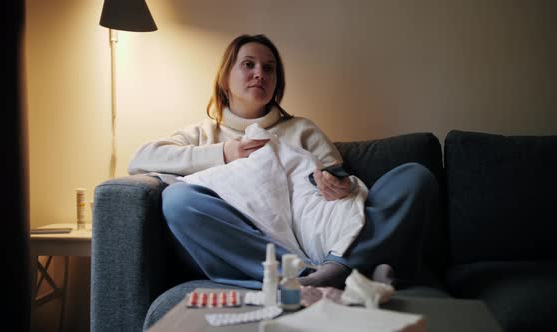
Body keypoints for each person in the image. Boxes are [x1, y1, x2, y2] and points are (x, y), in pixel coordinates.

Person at [128, 34, 439, 289]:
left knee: (415, 176)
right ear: (225, 79)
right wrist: (225, 153)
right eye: (248, 65)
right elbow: (141, 160)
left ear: (277, 82)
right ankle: (327, 275)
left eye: (270, 68)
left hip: (316, 234)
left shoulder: (302, 129)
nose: (260, 74)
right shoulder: (202, 133)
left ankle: (334, 268)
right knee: (177, 200)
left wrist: (341, 186)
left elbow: (337, 184)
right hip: (253, 239)